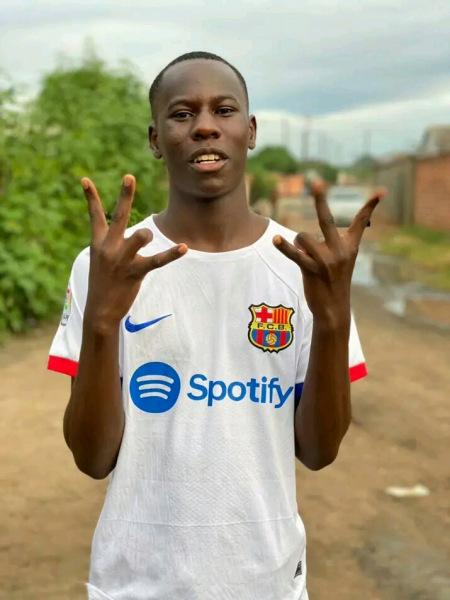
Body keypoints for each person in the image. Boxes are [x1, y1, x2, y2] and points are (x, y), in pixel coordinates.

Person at [48, 51, 382, 600]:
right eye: (182, 114)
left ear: (249, 131)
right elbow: (92, 459)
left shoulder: (304, 267)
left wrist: (332, 320)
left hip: (267, 583)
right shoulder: (107, 266)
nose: (205, 126)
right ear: (155, 139)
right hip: (134, 583)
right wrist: (102, 325)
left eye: (224, 110)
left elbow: (319, 452)